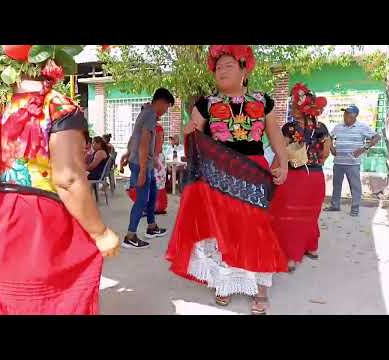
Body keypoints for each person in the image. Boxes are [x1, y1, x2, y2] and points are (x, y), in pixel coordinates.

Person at [0, 45, 119, 315]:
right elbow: (68, 179)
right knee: (40, 301)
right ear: (52, 61)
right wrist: (100, 233)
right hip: (36, 226)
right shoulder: (58, 105)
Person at [166, 45, 288, 315]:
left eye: (228, 65)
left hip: (254, 173)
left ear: (244, 70)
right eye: (218, 67)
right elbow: (192, 129)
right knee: (224, 228)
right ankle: (224, 284)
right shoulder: (205, 104)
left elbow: (275, 134)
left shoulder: (263, 101)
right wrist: (186, 131)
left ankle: (260, 289)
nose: (221, 70)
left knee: (256, 228)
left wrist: (284, 161)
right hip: (219, 174)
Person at [268, 83, 330, 272]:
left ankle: (290, 257)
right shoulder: (321, 128)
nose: (291, 109)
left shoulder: (290, 128)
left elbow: (280, 153)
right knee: (309, 214)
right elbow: (326, 153)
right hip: (316, 178)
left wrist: (271, 172)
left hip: (295, 178)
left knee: (289, 217)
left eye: (294, 106)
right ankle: (311, 247)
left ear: (303, 108)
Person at [121, 88, 174, 249]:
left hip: (143, 162)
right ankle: (130, 235)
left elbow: (134, 136)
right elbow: (144, 142)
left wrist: (128, 152)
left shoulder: (145, 112)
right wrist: (143, 170)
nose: (165, 111)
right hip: (141, 163)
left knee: (152, 196)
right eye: (166, 107)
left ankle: (151, 227)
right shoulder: (150, 114)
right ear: (161, 102)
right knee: (142, 199)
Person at [324, 105, 380, 217]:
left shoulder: (362, 127)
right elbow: (329, 137)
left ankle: (355, 208)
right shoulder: (338, 126)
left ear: (354, 116)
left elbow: (377, 137)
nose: (345, 116)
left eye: (348, 114)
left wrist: (364, 148)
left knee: (355, 186)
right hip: (338, 162)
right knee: (336, 184)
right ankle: (335, 205)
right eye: (345, 114)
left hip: (353, 163)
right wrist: (331, 148)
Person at [124, 118, 168, 215]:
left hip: (152, 157)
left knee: (154, 183)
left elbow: (158, 144)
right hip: (145, 157)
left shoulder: (157, 128)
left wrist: (155, 157)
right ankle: (147, 206)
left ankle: (151, 207)